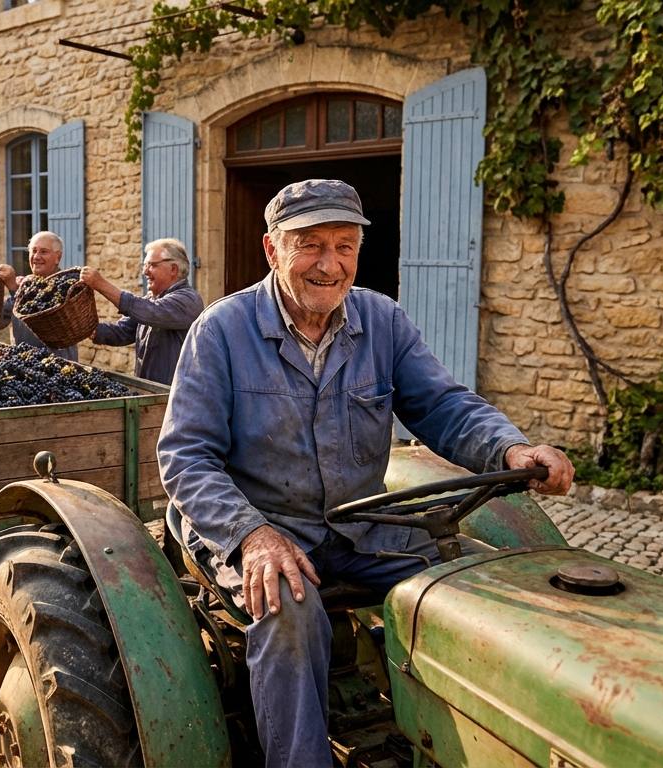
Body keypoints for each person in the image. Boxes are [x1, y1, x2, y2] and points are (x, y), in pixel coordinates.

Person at [157, 179, 575, 767]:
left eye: (345, 246)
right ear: (272, 249)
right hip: (253, 528)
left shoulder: (382, 320)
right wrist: (252, 537)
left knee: (468, 584)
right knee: (289, 615)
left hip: (357, 525)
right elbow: (185, 456)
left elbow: (443, 405)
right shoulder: (220, 331)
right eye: (310, 245)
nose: (330, 264)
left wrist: (510, 450)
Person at [80, 238, 204, 385]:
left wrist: (101, 285)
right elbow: (121, 332)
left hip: (174, 397)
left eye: (152, 265)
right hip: (150, 394)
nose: (145, 271)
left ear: (173, 269)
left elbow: (149, 312)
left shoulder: (188, 299)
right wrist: (85, 327)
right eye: (145, 265)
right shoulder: (151, 299)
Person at [0, 231, 79, 362]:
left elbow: (43, 315)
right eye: (34, 251)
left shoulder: (67, 288)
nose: (36, 257)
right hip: (24, 365)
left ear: (58, 258)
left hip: (57, 367)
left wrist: (14, 289)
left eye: (44, 252)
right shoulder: (25, 285)